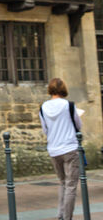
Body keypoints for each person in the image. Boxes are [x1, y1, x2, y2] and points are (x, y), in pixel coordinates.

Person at [39, 78, 82, 220]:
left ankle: (60, 215)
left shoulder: (43, 107)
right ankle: (67, 217)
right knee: (71, 186)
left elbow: (45, 130)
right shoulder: (69, 106)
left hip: (54, 149)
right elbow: (78, 125)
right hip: (69, 148)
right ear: (63, 88)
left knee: (63, 183)